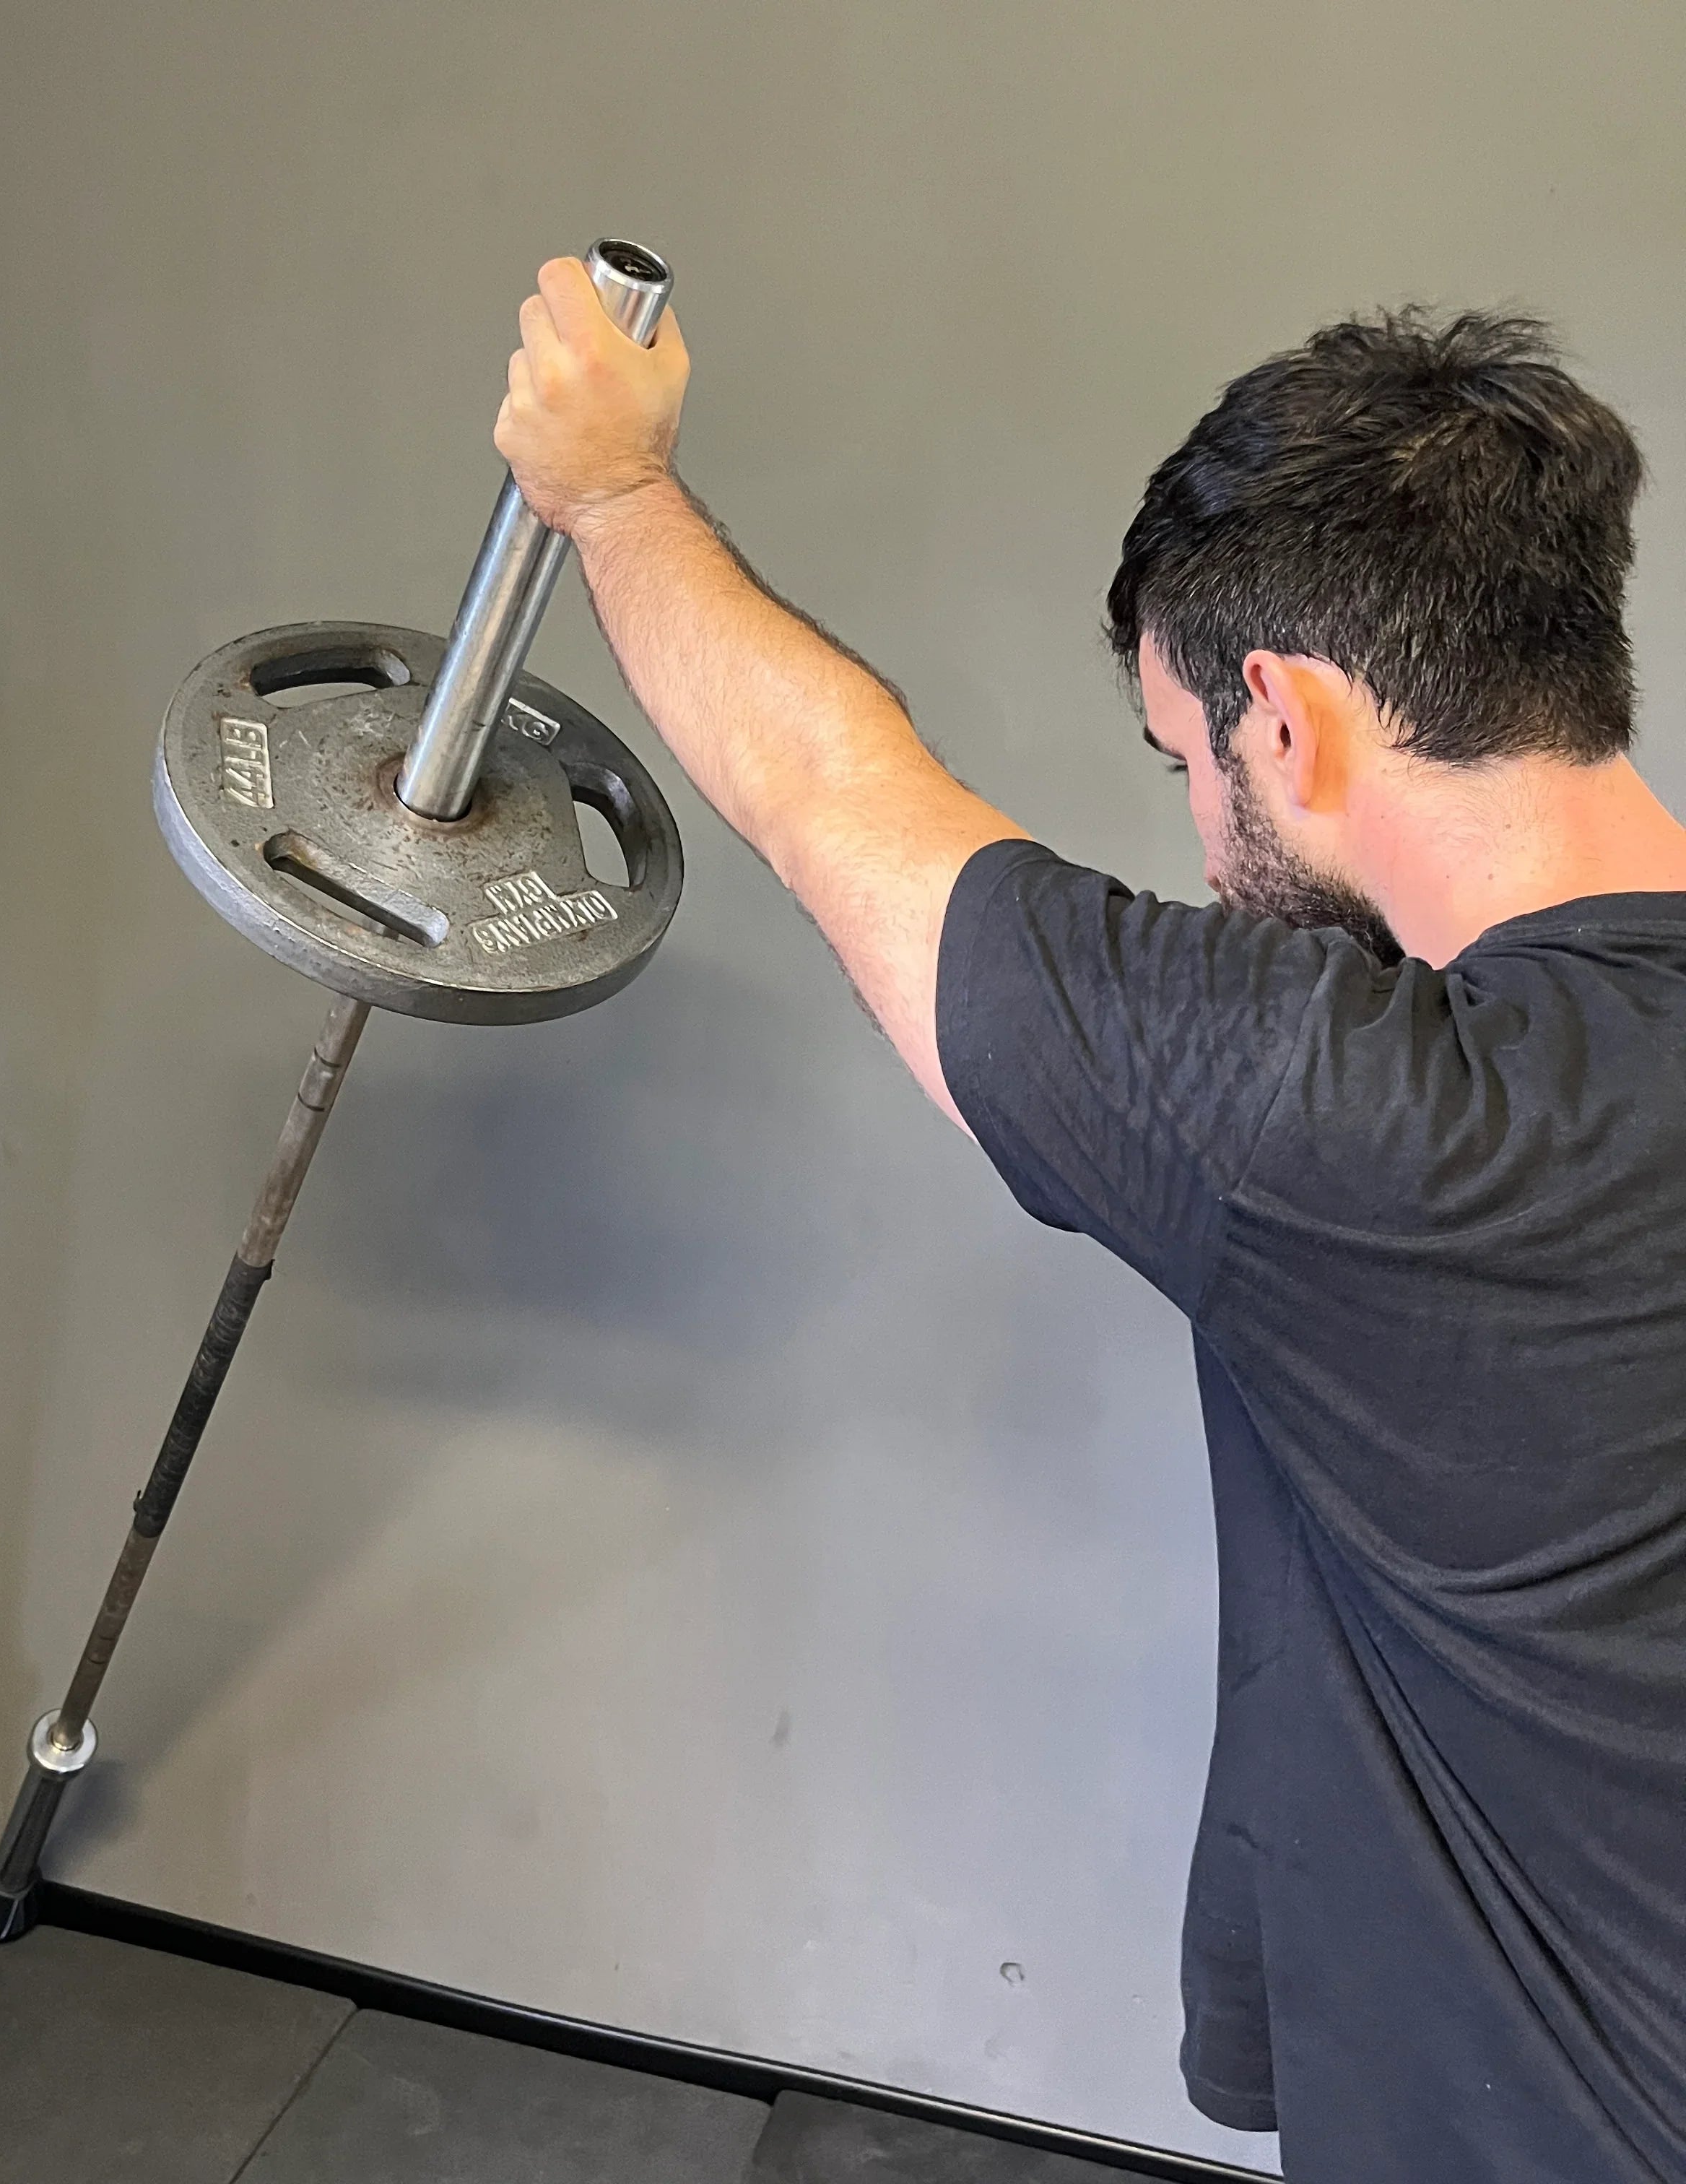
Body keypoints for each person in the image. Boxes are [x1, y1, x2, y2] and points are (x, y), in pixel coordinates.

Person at [492, 262, 1686, 2183]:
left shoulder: (1373, 1125)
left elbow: (829, 797)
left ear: (1283, 723)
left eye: (1181, 761)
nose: (1201, 839)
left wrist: (616, 497)